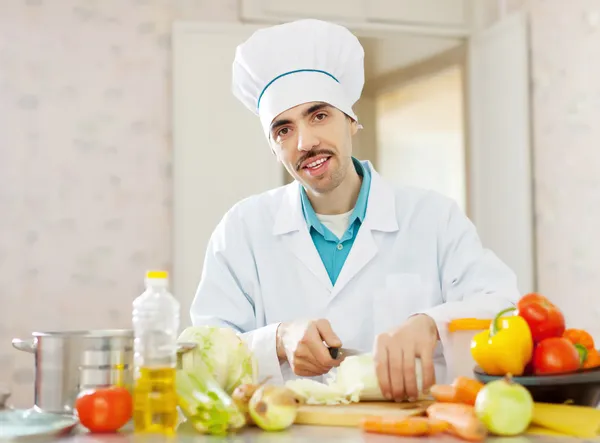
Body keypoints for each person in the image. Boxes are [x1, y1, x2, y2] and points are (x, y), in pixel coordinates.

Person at [189, 18, 520, 402]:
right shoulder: (241, 230)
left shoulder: (433, 217)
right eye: (284, 129)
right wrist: (277, 340)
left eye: (319, 115)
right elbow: (203, 354)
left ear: (351, 121)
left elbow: (504, 308)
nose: (305, 142)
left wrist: (431, 323)